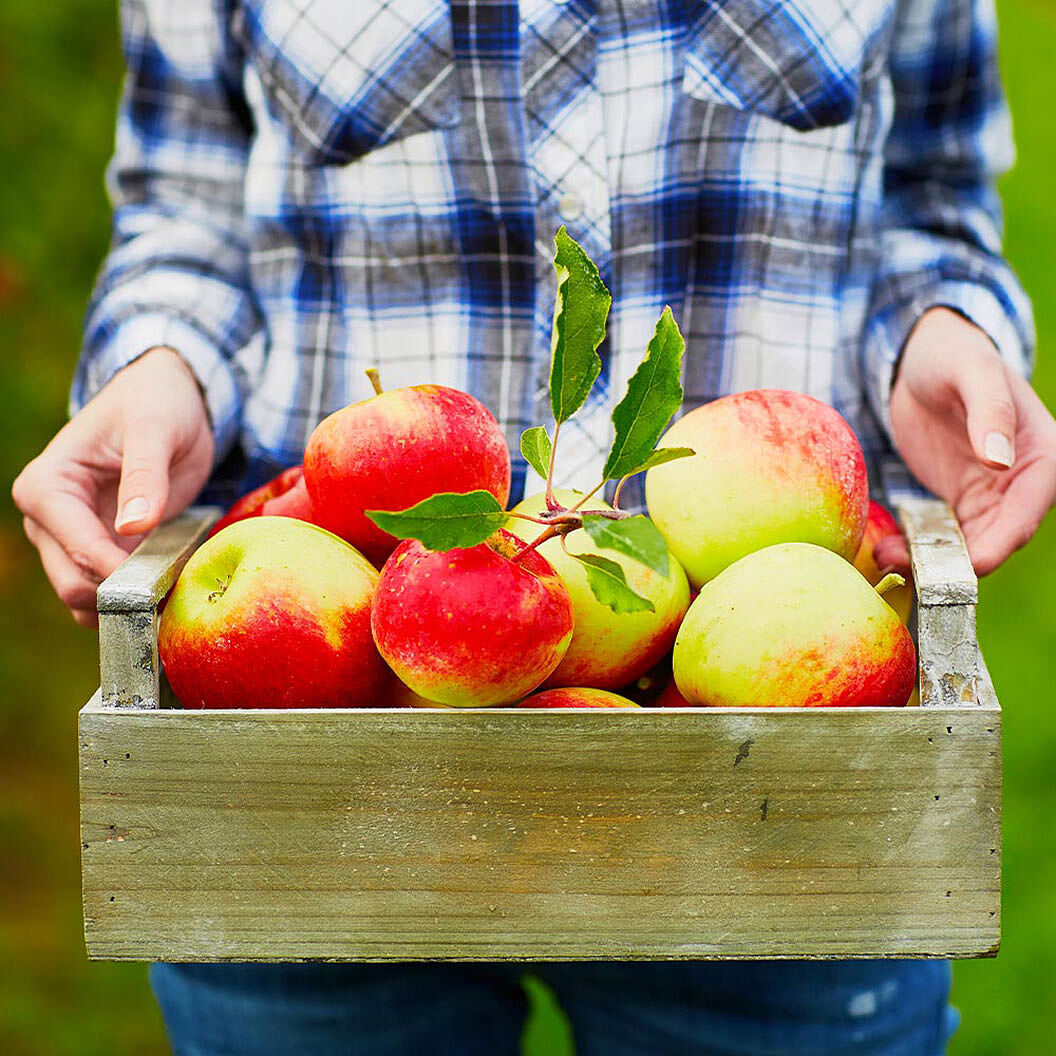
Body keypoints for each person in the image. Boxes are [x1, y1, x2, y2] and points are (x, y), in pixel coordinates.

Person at [12, 1, 1056, 1053]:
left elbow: (932, 188)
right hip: (316, 766)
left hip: (777, 794)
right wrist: (163, 365)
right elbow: (185, 206)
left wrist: (940, 321)